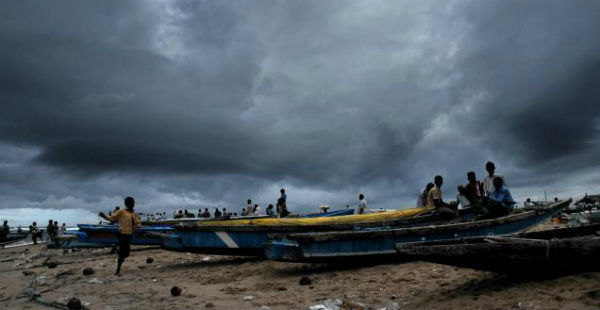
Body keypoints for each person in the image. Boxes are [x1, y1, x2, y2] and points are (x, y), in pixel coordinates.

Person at [99, 196, 141, 276]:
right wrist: (104, 216)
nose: (132, 204)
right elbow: (111, 218)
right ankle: (117, 271)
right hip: (122, 234)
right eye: (130, 203)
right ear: (126, 204)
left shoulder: (133, 213)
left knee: (126, 254)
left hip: (130, 235)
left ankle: (117, 251)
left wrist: (138, 226)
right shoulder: (121, 212)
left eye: (132, 203)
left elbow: (137, 222)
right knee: (122, 254)